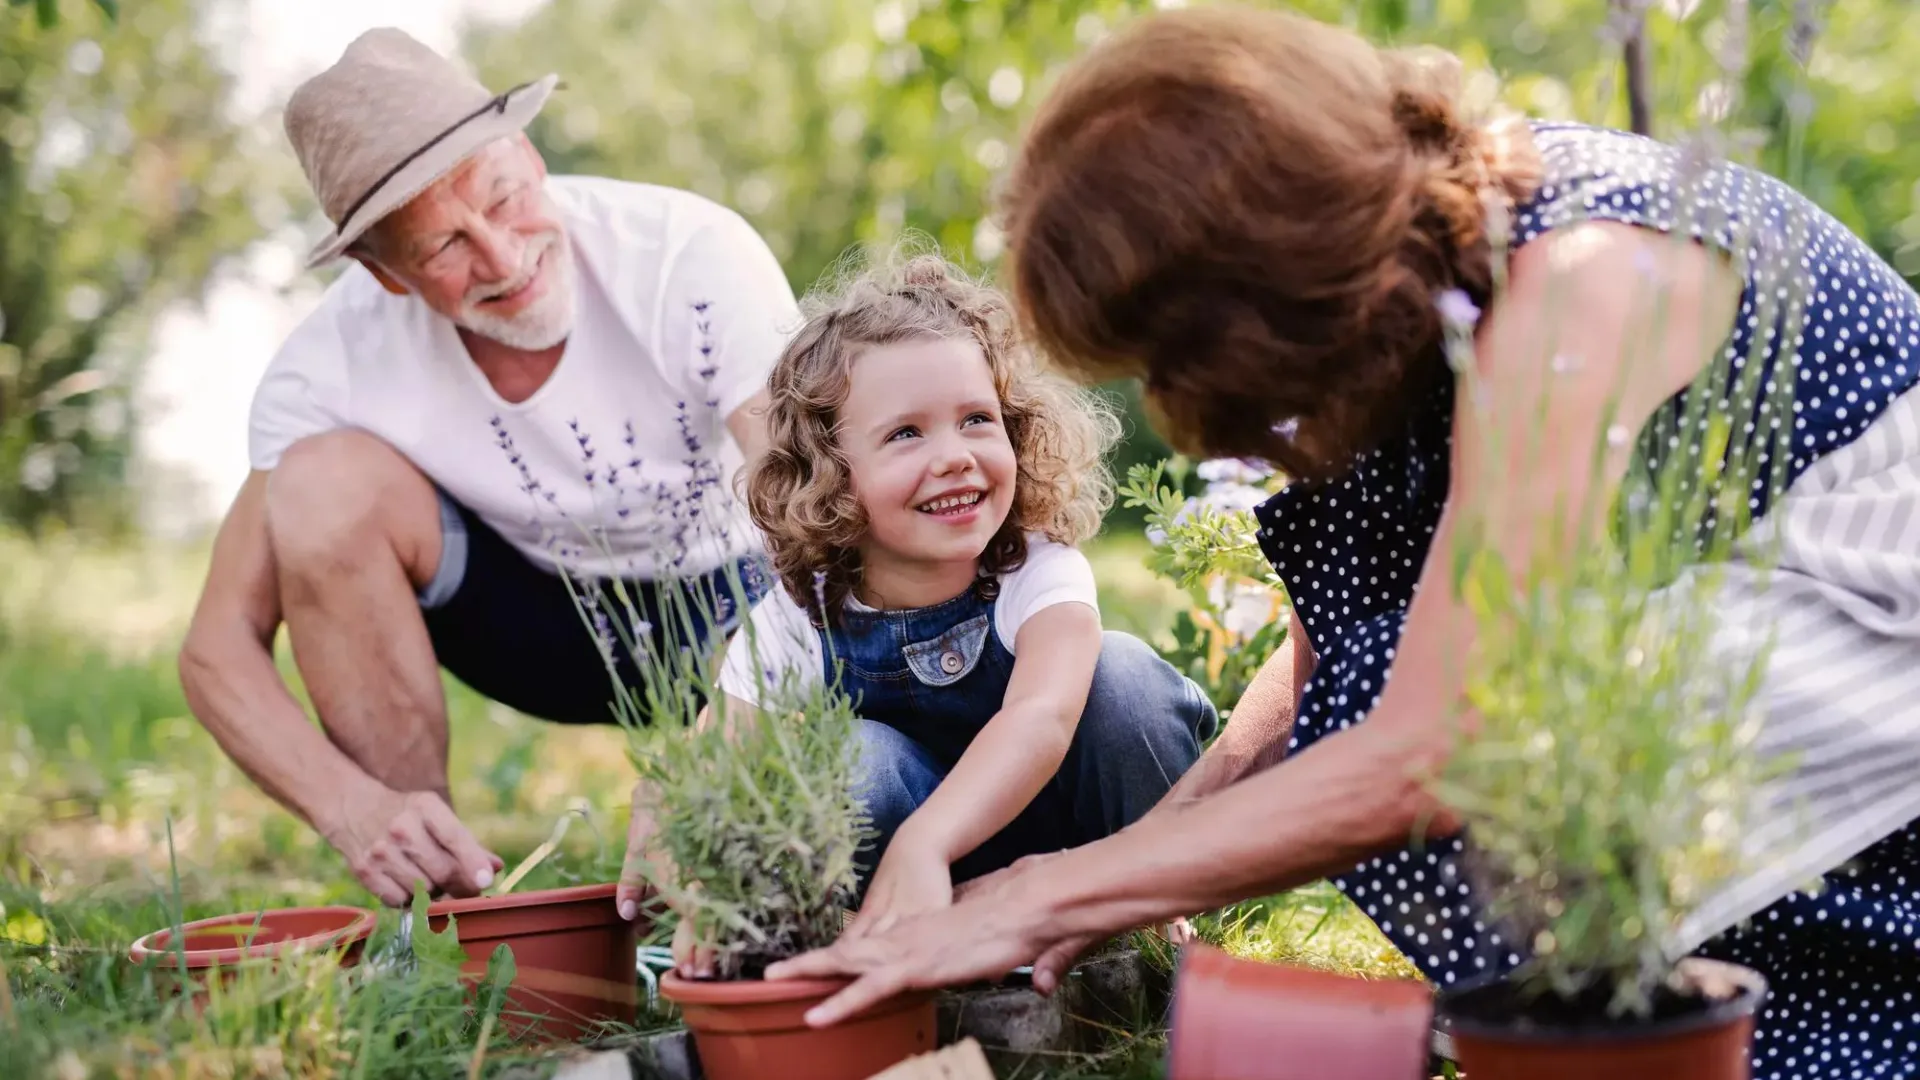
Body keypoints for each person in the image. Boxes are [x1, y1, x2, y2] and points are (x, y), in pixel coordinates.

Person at [763, 10, 1920, 1078]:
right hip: (1741, 635)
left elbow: (1433, 743)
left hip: (1874, 622)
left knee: (1467, 747)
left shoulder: (1575, 284)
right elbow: (1351, 657)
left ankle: (1727, 1023)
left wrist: (1038, 895)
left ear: (1262, 287)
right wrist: (1153, 858)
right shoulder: (1430, 275)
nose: (1171, 402)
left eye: (1168, 356)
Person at [177, 29, 798, 909]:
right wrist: (352, 809)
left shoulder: (691, 255)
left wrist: (726, 733)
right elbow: (215, 651)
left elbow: (826, 529)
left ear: (531, 157)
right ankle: (434, 909)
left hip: (734, 600)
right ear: (383, 273)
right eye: (442, 247)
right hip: (532, 623)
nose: (504, 260)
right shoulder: (327, 367)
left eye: (503, 199)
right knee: (318, 486)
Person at [616, 253, 1217, 963]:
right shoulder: (803, 611)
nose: (955, 455)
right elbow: (726, 756)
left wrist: (930, 839)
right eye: (907, 433)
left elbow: (1041, 717)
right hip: (917, 884)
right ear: (833, 473)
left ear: (1016, 431)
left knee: (1125, 682)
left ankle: (1149, 914)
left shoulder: (1037, 568)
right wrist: (693, 852)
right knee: (849, 762)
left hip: (1074, 849)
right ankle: (906, 940)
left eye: (976, 420)